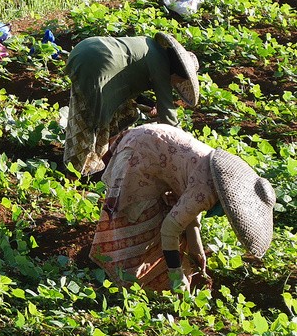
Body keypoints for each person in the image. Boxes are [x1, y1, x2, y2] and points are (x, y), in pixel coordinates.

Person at [91, 124, 275, 292]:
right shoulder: (207, 189)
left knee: (170, 226)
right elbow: (170, 229)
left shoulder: (216, 178)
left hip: (150, 141)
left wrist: (197, 248)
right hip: (139, 156)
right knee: (139, 221)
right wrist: (176, 274)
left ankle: (130, 281)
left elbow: (190, 215)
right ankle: (116, 281)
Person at [64, 32, 199, 176]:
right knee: (91, 121)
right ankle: (74, 174)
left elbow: (127, 77)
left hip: (86, 49)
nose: (176, 84)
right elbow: (168, 116)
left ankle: (111, 158)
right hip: (96, 65)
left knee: (124, 110)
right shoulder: (162, 66)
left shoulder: (150, 46)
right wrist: (185, 144)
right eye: (178, 81)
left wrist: (149, 103)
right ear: (177, 73)